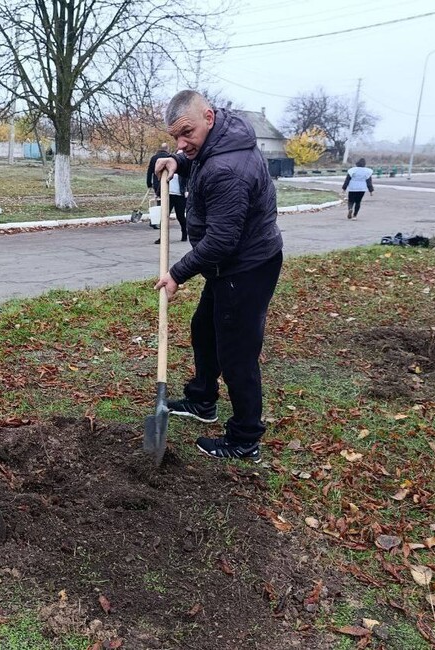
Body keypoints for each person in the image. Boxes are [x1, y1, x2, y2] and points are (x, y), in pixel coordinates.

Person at [153, 90, 283, 462]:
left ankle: (245, 438)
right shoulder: (222, 138)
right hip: (231, 264)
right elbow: (200, 154)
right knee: (204, 329)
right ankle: (202, 400)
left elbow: (222, 241)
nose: (181, 142)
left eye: (187, 133)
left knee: (236, 353)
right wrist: (180, 161)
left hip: (245, 268)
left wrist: (177, 273)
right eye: (176, 136)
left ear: (208, 118)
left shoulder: (228, 170)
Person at [154, 168, 188, 244]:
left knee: (180, 216)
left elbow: (188, 180)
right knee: (164, 217)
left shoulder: (183, 169)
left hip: (180, 196)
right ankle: (162, 237)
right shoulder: (167, 170)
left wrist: (187, 190)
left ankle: (184, 233)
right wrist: (157, 193)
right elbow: (161, 182)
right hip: (168, 196)